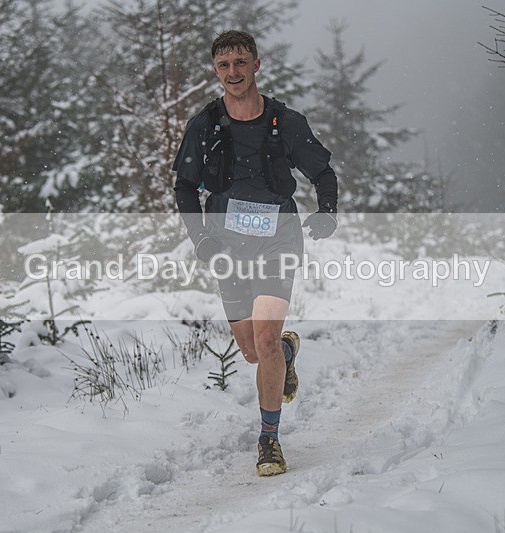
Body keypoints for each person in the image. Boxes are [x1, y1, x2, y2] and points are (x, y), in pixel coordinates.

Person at [172, 30, 339, 476]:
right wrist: (201, 239)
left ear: (257, 65)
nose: (233, 72)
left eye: (241, 63)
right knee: (251, 350)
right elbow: (185, 188)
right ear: (215, 70)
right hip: (226, 246)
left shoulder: (285, 122)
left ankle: (269, 440)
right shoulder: (204, 125)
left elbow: (323, 173)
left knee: (263, 338)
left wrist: (327, 213)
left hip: (278, 240)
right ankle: (283, 354)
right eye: (224, 65)